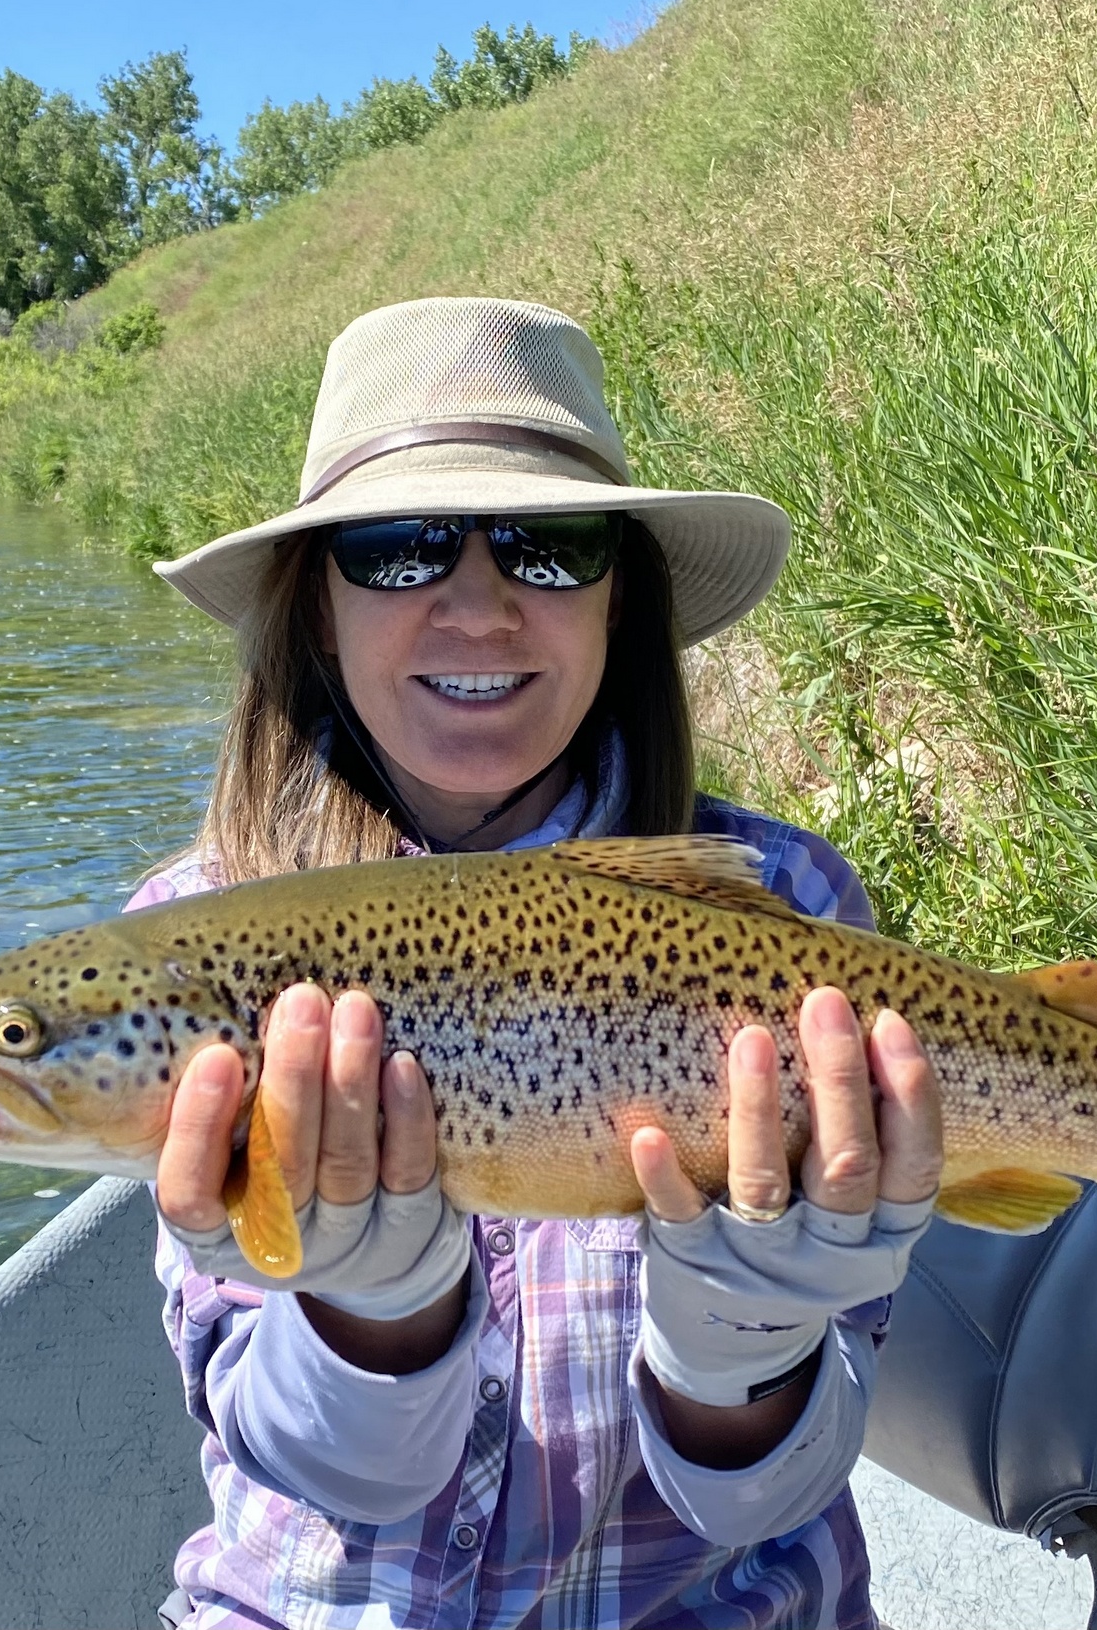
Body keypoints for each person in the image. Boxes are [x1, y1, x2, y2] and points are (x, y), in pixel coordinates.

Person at [131, 296, 944, 1629]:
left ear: (620, 598)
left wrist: (741, 1342)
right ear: (318, 608)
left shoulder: (794, 911)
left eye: (548, 545)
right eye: (395, 550)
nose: (477, 605)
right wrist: (366, 1319)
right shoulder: (204, 933)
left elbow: (764, 1504)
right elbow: (308, 1470)